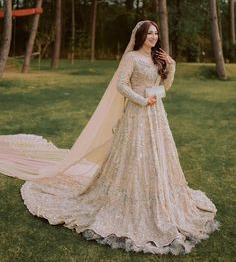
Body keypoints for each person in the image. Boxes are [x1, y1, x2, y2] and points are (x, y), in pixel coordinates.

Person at [0, 20, 219, 255]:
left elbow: (166, 86)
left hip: (157, 116)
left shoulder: (158, 58)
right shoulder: (131, 58)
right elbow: (121, 85)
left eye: (156, 33)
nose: (154, 37)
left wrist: (171, 65)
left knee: (158, 157)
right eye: (149, 34)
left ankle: (158, 196)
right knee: (133, 155)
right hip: (137, 113)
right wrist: (141, 100)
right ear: (141, 36)